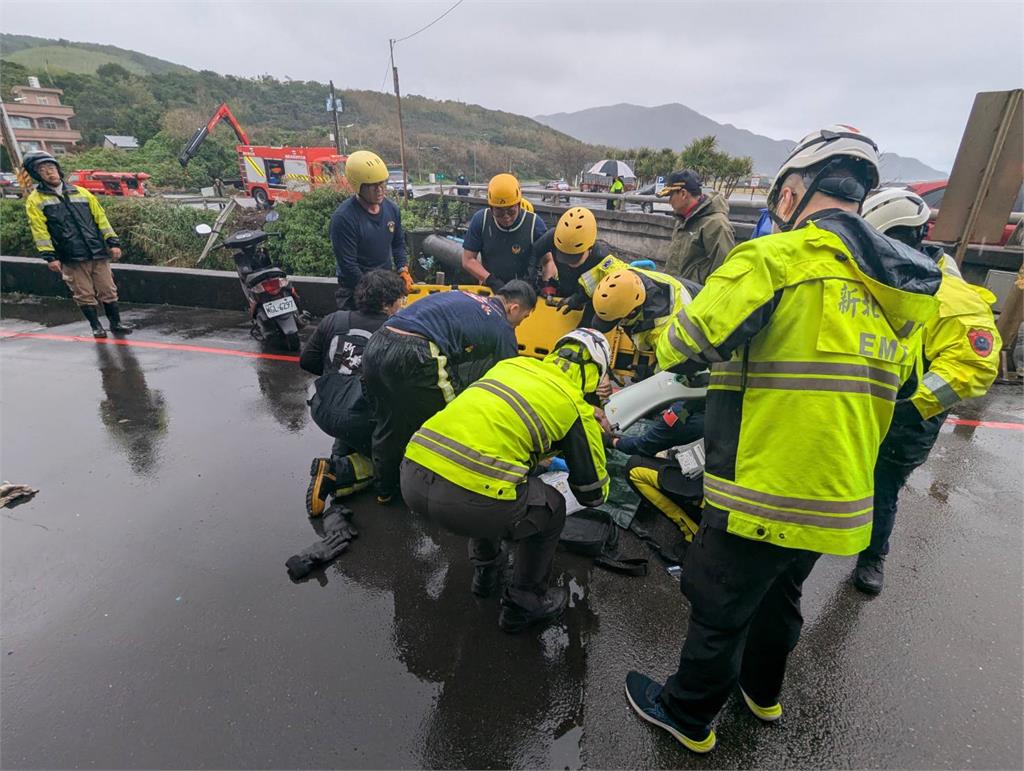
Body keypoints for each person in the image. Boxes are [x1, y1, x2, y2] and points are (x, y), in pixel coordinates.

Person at [624, 126, 943, 754]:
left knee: (719, 605)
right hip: (840, 494)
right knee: (783, 596)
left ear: (793, 194)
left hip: (764, 488)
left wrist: (668, 322)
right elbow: (902, 386)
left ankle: (687, 716)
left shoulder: (775, 260)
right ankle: (762, 694)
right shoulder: (902, 292)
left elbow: (685, 345)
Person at [400, 328, 610, 632]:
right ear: (595, 373)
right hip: (469, 504)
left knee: (497, 477)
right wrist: (593, 437)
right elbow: (593, 492)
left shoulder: (510, 365)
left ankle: (487, 574)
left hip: (412, 477)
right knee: (551, 506)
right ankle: (524, 604)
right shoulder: (575, 405)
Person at [852, 188, 1001, 595]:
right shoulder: (877, 278)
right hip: (862, 405)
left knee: (882, 489)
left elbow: (973, 367)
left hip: (906, 419)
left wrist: (911, 407)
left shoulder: (951, 298)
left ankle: (872, 557)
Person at [362, 280, 537, 504]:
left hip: (378, 342)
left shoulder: (466, 297)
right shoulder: (502, 326)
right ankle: (448, 494)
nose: (519, 324)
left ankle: (385, 490)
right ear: (514, 308)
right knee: (452, 420)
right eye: (523, 318)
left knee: (390, 419)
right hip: (415, 352)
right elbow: (508, 377)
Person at [301, 269, 409, 516]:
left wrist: (338, 377)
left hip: (322, 408)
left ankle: (340, 457)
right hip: (362, 416)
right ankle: (337, 473)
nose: (401, 306)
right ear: (386, 303)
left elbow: (307, 361)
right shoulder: (395, 332)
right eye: (399, 300)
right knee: (396, 456)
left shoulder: (333, 319)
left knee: (351, 418)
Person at [23, 150, 133, 338]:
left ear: (58, 169)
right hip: (70, 255)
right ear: (36, 174)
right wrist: (50, 256)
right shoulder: (36, 200)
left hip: (96, 251)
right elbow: (39, 230)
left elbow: (101, 219)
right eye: (43, 170)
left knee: (108, 289)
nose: (50, 172)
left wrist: (113, 242)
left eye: (51, 167)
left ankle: (116, 323)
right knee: (83, 293)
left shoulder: (81, 192)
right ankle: (96, 326)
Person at [609, 399, 706, 544]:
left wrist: (612, 442)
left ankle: (692, 531)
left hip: (713, 489)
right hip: (736, 471)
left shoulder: (685, 411)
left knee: (634, 468)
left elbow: (643, 445)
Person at [330, 150, 413, 310]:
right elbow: (348, 265)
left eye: (382, 183)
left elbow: (398, 244)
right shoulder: (344, 218)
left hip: (385, 288)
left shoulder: (391, 209)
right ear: (358, 186)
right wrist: (374, 295)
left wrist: (403, 268)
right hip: (357, 291)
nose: (380, 189)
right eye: (372, 185)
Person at [461, 173, 554, 290]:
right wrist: (490, 279)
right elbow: (468, 259)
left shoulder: (534, 224)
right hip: (492, 287)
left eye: (511, 211)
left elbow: (548, 261)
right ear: (491, 208)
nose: (506, 217)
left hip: (524, 290)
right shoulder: (481, 220)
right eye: (499, 212)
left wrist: (547, 286)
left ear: (519, 205)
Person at [658, 169, 735, 284]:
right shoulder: (682, 220)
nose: (669, 202)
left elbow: (723, 272)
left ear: (683, 194)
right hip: (678, 291)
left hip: (697, 296)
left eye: (671, 196)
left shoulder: (715, 224)